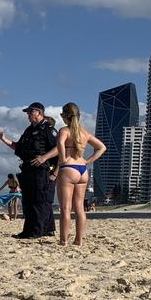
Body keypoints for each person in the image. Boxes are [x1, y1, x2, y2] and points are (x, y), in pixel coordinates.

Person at [0, 102, 58, 239]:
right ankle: (33, 230)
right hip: (27, 170)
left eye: (31, 112)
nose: (28, 115)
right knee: (28, 202)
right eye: (27, 113)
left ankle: (37, 231)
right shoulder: (28, 130)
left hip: (41, 170)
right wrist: (4, 139)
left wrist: (44, 157)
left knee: (39, 201)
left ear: (39, 113)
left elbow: (59, 148)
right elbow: (19, 147)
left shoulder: (49, 129)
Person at [56, 102, 106, 246]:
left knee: (65, 208)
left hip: (68, 168)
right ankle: (79, 240)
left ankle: (64, 240)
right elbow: (102, 147)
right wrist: (88, 161)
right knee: (79, 208)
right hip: (82, 170)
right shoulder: (84, 133)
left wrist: (63, 158)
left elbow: (60, 143)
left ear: (65, 116)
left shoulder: (64, 130)